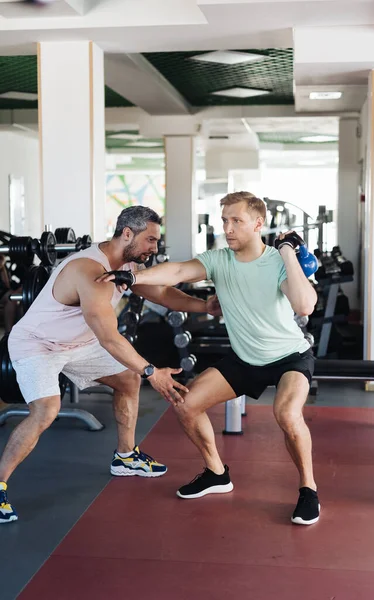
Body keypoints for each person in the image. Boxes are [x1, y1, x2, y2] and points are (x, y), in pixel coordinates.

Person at [100, 192, 319, 525]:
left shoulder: (277, 260)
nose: (228, 228)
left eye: (236, 221)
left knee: (287, 413)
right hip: (245, 358)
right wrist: (134, 277)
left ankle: (308, 489)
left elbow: (304, 306)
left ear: (258, 223)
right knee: (186, 404)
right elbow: (178, 271)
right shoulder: (219, 260)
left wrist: (287, 251)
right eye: (224, 221)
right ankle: (217, 473)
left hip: (289, 357)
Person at [0, 206, 220, 524]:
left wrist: (205, 307)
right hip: (39, 345)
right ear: (127, 234)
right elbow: (110, 339)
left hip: (79, 343)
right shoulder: (88, 270)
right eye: (150, 240)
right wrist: (152, 372)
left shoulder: (126, 266)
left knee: (127, 379)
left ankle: (126, 456)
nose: (154, 248)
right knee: (46, 410)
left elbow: (162, 294)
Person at [0, 256, 22, 334]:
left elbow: (7, 284)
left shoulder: (2, 261)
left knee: (22, 296)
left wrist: (2, 267)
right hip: (3, 293)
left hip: (4, 292)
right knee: (11, 297)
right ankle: (8, 333)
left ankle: (20, 330)